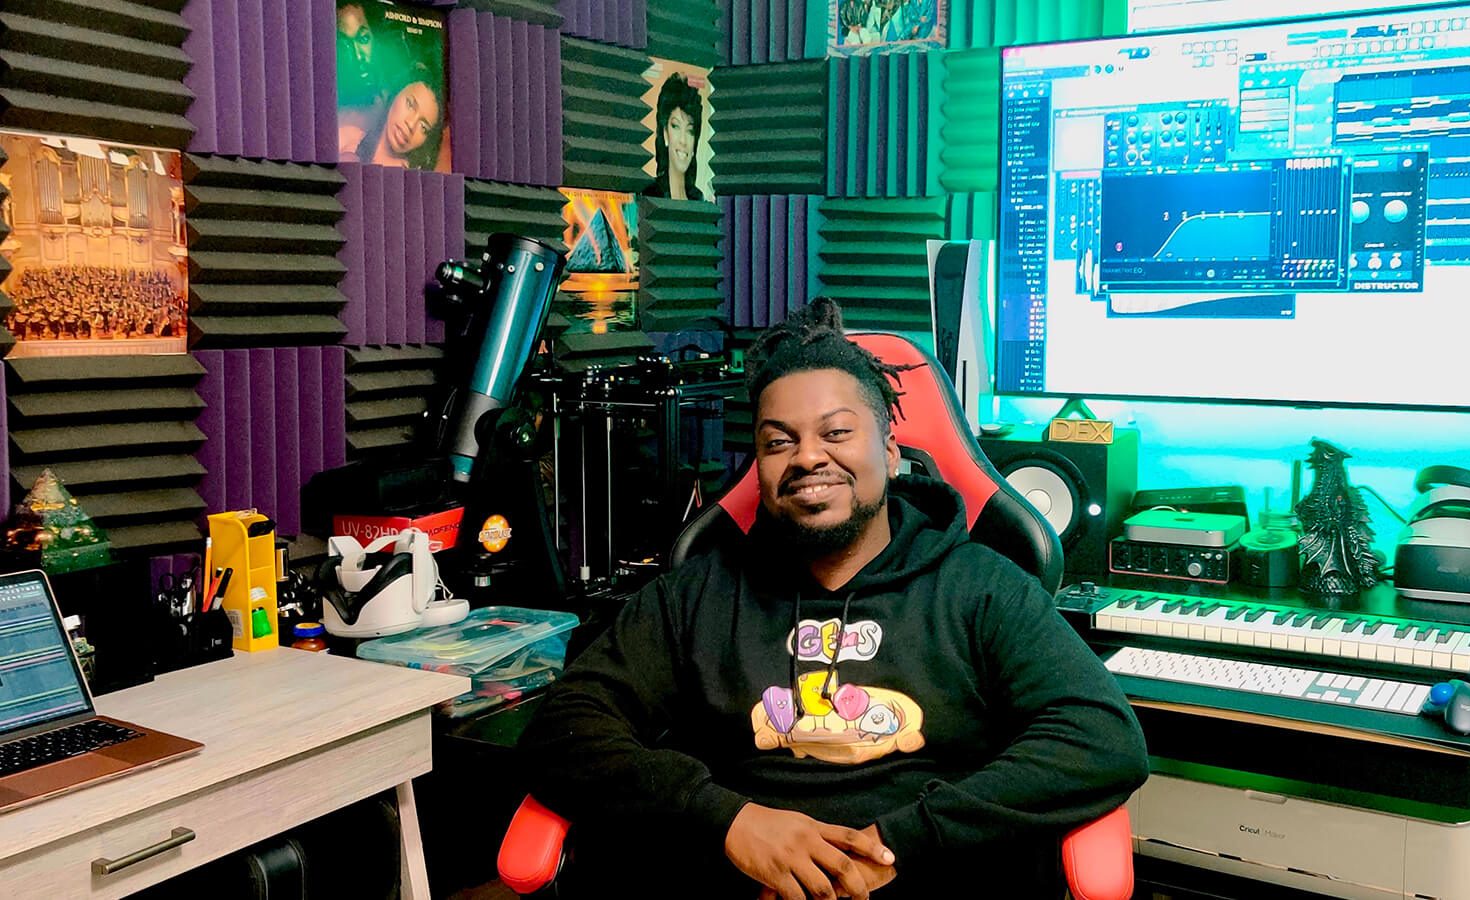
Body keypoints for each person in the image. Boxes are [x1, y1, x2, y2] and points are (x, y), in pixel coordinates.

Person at [522, 298, 1148, 899]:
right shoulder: (698, 595)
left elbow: (1101, 738)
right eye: (778, 441)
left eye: (838, 432)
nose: (809, 458)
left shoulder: (981, 588)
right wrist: (729, 822)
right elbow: (563, 727)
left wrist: (896, 845)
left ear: (892, 452)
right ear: (759, 467)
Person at [338, 64, 446, 170]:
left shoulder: (412, 178)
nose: (411, 124)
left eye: (423, 127)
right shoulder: (348, 137)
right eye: (410, 104)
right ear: (396, 93)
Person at [643, 72, 705, 201]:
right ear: (665, 133)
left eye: (690, 131)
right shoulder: (650, 195)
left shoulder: (698, 198)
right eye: (676, 126)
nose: (683, 140)